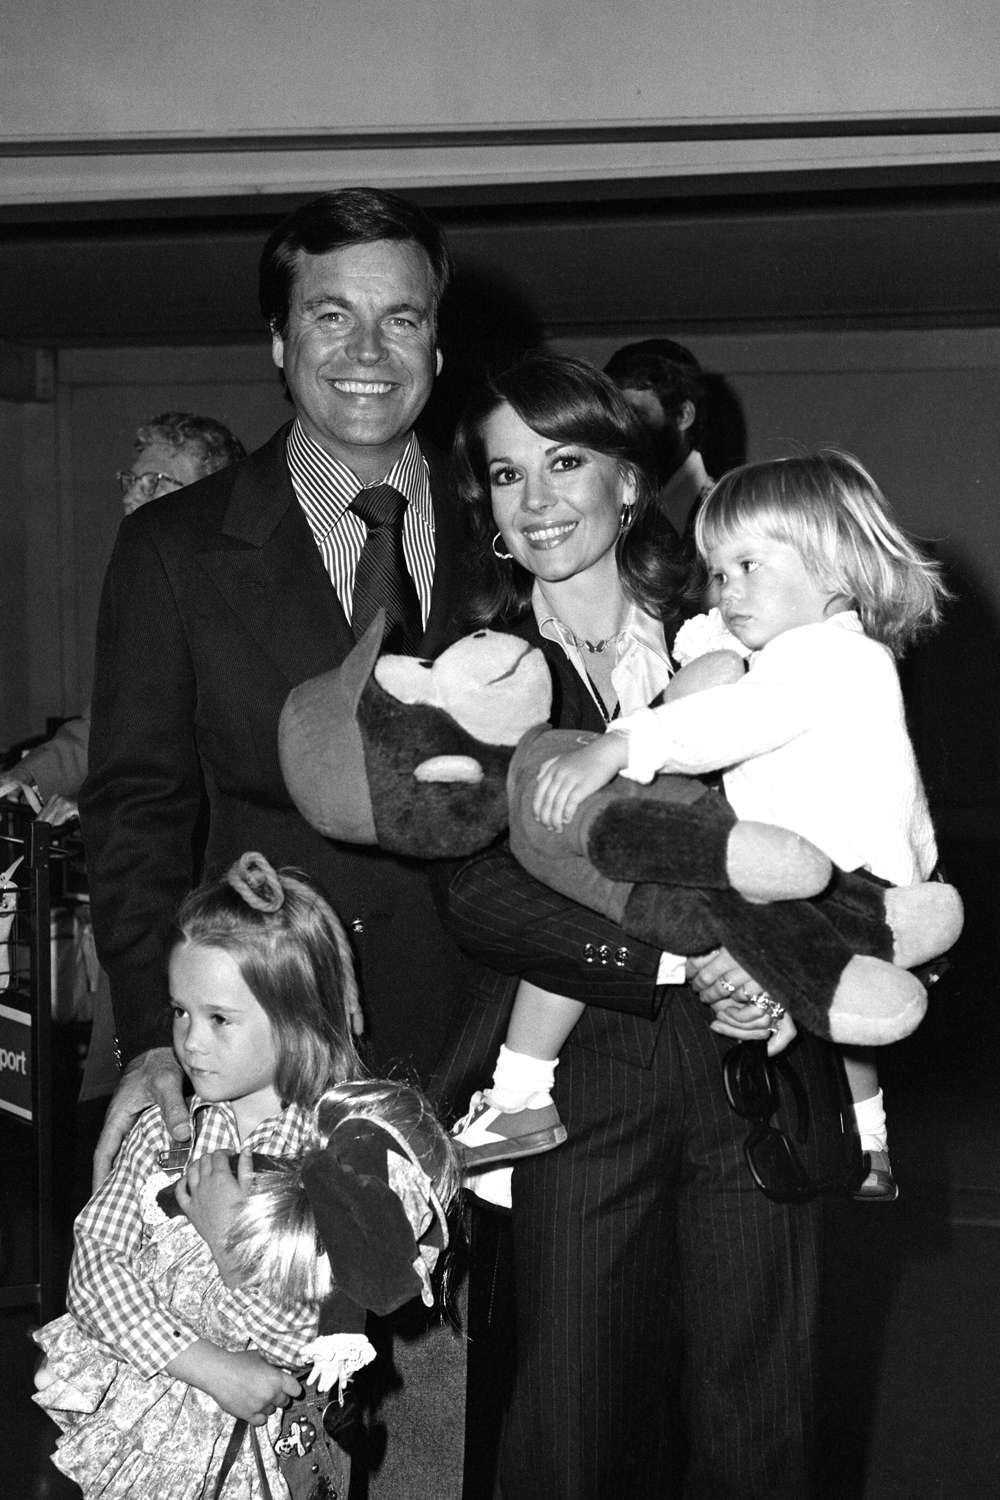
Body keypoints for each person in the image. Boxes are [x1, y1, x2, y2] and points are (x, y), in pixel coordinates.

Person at [433, 353, 860, 1498]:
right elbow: (472, 891)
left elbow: (844, 825)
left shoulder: (747, 620)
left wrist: (783, 968)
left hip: (747, 1066)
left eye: (564, 461)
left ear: (630, 480)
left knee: (758, 1417)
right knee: (568, 1426)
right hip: (577, 1076)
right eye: (506, 472)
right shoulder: (469, 670)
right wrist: (682, 947)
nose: (537, 499)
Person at [79, 190, 470, 1189]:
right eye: (330, 314)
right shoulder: (173, 549)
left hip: (495, 1048)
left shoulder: (520, 527)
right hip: (263, 1045)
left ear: (437, 341)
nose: (367, 351)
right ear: (277, 340)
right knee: (276, 1338)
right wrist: (159, 1035)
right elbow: (139, 811)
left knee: (485, 1344)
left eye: (403, 318)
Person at [519, 449, 947, 1202]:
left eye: (750, 565)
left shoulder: (830, 658)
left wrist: (624, 744)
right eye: (718, 572)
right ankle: (807, 1020)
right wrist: (715, 641)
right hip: (842, 887)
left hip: (838, 887)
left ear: (836, 567)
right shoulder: (815, 651)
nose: (728, 591)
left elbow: (736, 721)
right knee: (769, 996)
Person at [32, 852, 366, 1499]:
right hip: (157, 1424)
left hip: (270, 1454)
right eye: (180, 1012)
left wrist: (230, 1247)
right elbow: (96, 1263)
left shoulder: (335, 1158)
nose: (189, 1042)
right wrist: (201, 1365)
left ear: (300, 1017)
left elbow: (318, 1334)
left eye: (218, 1019)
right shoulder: (169, 1130)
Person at [0, 412, 246, 826]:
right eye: (132, 481)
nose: (133, 498)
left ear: (214, 498)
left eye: (157, 482)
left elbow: (232, 752)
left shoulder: (241, 593)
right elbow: (112, 723)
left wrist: (111, 809)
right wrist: (25, 777)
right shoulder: (147, 583)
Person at [604, 337, 712, 539]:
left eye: (636, 415)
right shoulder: (613, 510)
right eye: (615, 417)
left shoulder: (720, 513)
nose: (622, 430)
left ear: (683, 416)